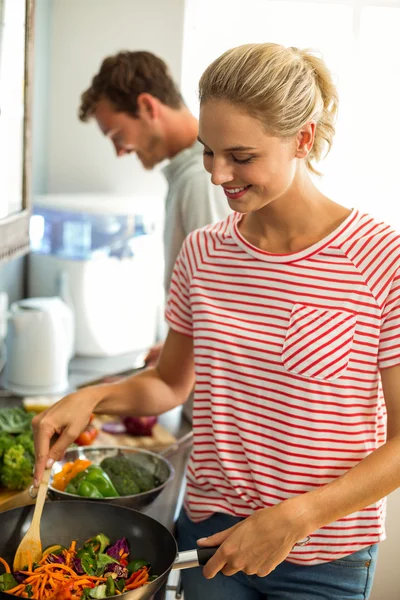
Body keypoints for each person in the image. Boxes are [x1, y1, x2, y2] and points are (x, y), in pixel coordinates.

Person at [33, 42, 400, 599]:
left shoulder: (380, 258)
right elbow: (170, 383)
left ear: (302, 138)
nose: (217, 175)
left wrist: (295, 518)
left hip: (323, 552)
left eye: (241, 156)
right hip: (209, 541)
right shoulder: (203, 251)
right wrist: (93, 398)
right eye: (208, 152)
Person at [78, 50, 230, 365]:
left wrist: (180, 358)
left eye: (117, 135)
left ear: (147, 106)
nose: (119, 152)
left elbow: (220, 297)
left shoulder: (203, 179)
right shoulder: (188, 175)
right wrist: (176, 345)